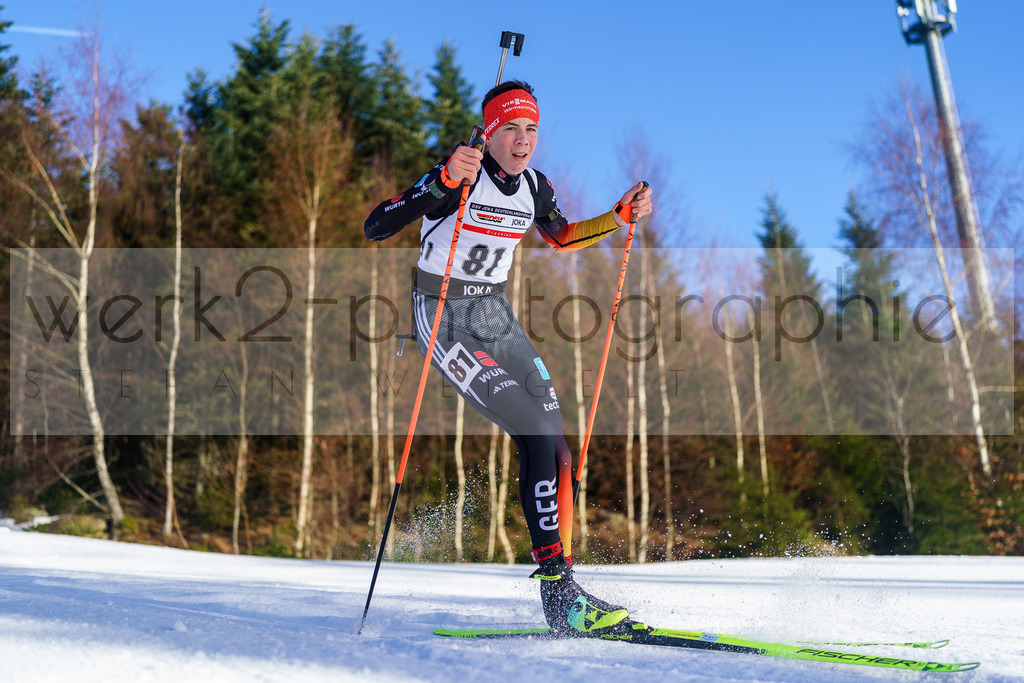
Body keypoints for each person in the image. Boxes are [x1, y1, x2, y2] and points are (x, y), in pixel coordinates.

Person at [364, 80, 652, 636]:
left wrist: (616, 218)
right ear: (490, 132)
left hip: (493, 314)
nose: (522, 141)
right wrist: (443, 181)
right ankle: (562, 593)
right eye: (512, 129)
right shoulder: (458, 176)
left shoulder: (534, 186)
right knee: (535, 432)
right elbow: (378, 224)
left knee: (557, 440)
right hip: (443, 313)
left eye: (532, 130)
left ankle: (561, 592)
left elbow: (562, 236)